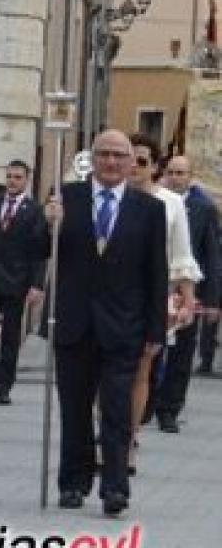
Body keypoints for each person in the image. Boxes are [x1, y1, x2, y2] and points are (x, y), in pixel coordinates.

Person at [52, 129, 168, 516]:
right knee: (74, 408)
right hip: (75, 323)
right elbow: (41, 249)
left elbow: (157, 273)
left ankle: (115, 488)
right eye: (104, 154)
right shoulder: (67, 199)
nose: (112, 162)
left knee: (117, 411)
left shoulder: (148, 209)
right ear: (94, 158)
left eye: (120, 155)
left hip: (124, 327)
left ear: (132, 162)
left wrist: (155, 330)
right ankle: (73, 482)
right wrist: (47, 222)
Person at [123, 134, 200, 458]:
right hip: (111, 293)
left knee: (141, 368)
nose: (135, 167)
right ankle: (108, 427)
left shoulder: (170, 203)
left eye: (143, 162)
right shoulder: (113, 197)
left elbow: (182, 254)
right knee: (107, 370)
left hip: (153, 294)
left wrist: (188, 299)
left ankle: (129, 437)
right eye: (132, 160)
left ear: (155, 167)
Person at [0, 159, 50, 405]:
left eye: (17, 177)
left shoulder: (34, 210)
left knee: (10, 334)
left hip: (17, 280)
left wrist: (37, 285)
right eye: (9, 176)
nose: (12, 181)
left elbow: (40, 252)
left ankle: (5, 385)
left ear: (26, 180)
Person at [153, 154, 221, 428]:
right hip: (156, 287)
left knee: (182, 353)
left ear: (190, 177)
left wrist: (212, 298)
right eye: (171, 172)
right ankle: (148, 400)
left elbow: (212, 255)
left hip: (187, 290)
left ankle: (169, 408)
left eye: (182, 173)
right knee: (152, 348)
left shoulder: (203, 208)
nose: (176, 177)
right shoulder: (154, 201)